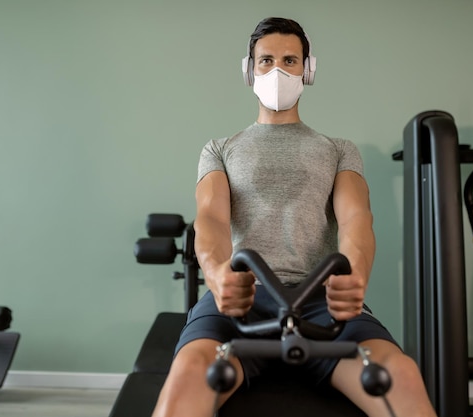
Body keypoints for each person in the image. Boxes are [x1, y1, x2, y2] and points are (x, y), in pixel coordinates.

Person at [152, 17, 437, 417]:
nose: (278, 71)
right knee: (187, 374)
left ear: (308, 70)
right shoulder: (220, 148)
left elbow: (357, 220)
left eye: (290, 60)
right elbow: (211, 219)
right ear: (250, 70)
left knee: (401, 374)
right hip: (241, 297)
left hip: (320, 299)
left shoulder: (339, 149)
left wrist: (355, 274)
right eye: (266, 61)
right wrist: (217, 274)